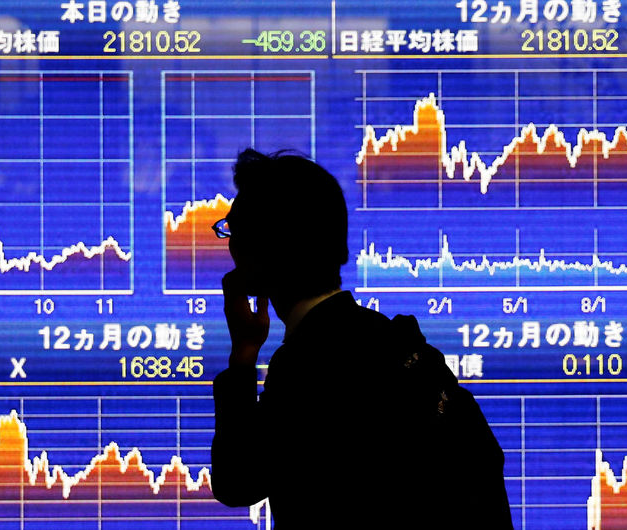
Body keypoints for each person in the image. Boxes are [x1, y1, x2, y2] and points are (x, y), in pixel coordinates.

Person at [210, 148, 513, 528]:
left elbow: (237, 481)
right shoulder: (406, 346)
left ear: (261, 252)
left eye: (233, 230)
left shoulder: (308, 365)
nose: (229, 244)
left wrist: (242, 357)